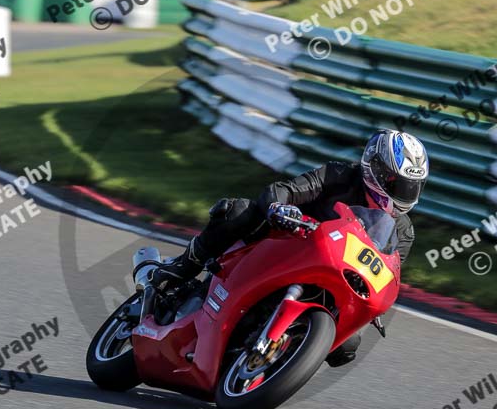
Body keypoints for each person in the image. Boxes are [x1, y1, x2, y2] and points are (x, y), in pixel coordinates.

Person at [151, 129, 429, 366]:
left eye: (411, 187)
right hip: (286, 243)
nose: (404, 194)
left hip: (331, 280)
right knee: (238, 211)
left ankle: (276, 359)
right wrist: (278, 206)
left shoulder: (403, 231)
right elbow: (286, 189)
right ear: (375, 169)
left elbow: (387, 272)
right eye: (397, 184)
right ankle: (184, 266)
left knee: (347, 345)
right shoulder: (338, 175)